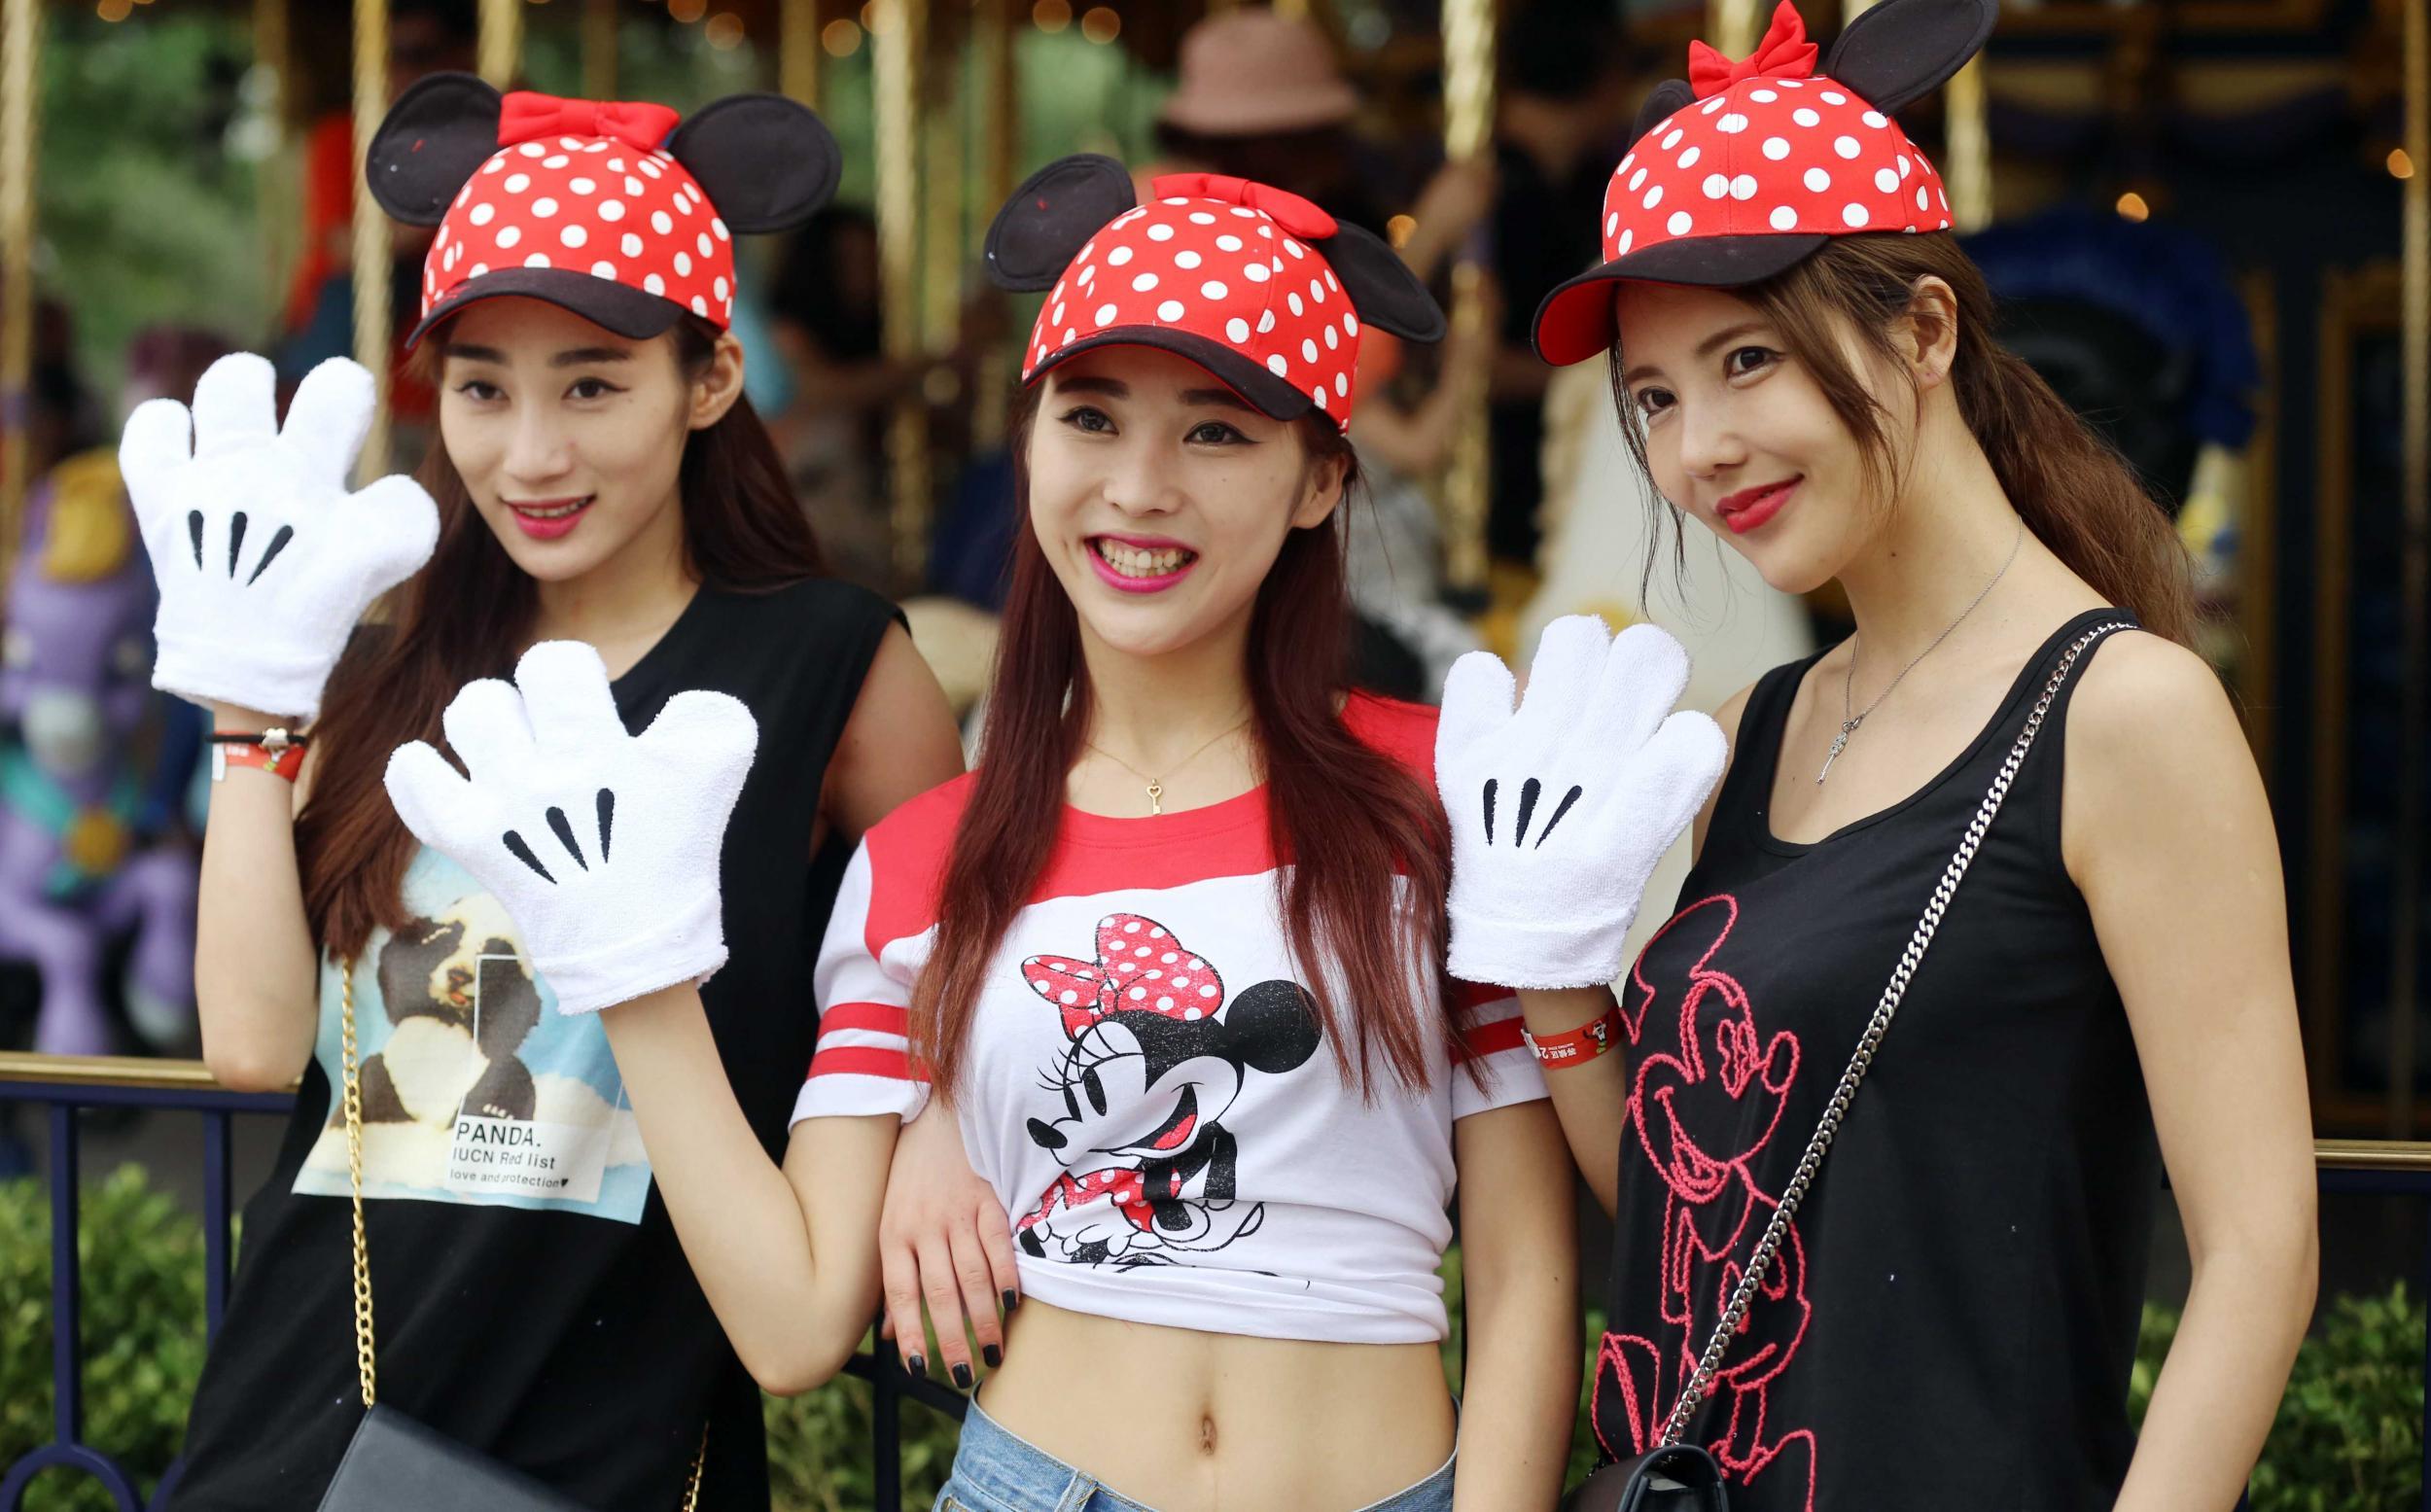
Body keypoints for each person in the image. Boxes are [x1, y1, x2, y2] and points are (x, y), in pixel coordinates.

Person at [390, 157, 1580, 1511]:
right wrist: (631, 974)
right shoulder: (927, 861)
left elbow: (1529, 1269)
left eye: (1217, 432)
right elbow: (791, 1330)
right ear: (1028, 450)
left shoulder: (1440, 799)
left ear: (1319, 478)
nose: (1138, 488)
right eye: (1090, 418)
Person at [1445, 2, 2317, 1508]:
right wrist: (1549, 972)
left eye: (1744, 362)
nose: (1694, 448)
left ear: (1924, 329)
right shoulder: (1750, 738)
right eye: (1652, 397)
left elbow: (2259, 1252)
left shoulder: (2122, 715)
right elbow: (1690, 1210)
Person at [148, 75, 960, 1509]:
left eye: (592, 384)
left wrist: (945, 1133)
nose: (531, 453)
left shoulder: (830, 669)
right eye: (483, 389)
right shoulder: (391, 675)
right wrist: (246, 721)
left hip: (621, 1436)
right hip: (311, 1424)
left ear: (709, 380)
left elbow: (941, 980)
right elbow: (260, 1051)